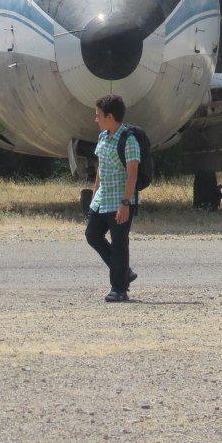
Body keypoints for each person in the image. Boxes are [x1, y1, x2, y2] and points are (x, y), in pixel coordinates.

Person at [86, 94, 140, 303]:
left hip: (120, 200)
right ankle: (123, 272)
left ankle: (119, 289)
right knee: (92, 235)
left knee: (119, 243)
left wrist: (126, 203)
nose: (96, 119)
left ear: (110, 116)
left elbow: (132, 173)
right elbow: (101, 166)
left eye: (98, 115)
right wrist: (94, 192)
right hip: (102, 199)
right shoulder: (103, 137)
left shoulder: (129, 140)